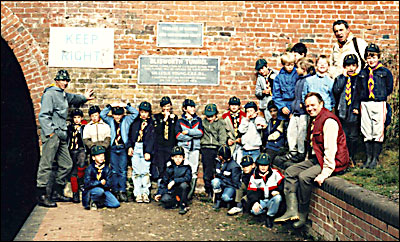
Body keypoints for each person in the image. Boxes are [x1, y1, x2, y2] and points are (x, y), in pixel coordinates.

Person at [274, 92, 350, 229]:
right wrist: (307, 161)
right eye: (307, 106)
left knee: (304, 177)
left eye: (313, 105)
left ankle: (303, 213)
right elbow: (313, 145)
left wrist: (325, 172)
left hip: (333, 160)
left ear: (321, 104)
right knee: (291, 171)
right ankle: (292, 210)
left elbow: (330, 149)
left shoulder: (329, 121)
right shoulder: (314, 119)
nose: (310, 108)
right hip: (317, 158)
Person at [36, 69, 94, 208]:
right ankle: (42, 195)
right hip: (53, 134)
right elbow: (44, 115)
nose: (65, 83)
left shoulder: (62, 94)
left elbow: (73, 98)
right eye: (62, 80)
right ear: (57, 80)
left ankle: (56, 191)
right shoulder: (50, 94)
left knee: (67, 164)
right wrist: (50, 133)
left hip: (62, 135)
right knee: (46, 164)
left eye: (67, 80)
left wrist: (84, 97)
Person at [358, 43, 393, 169]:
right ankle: (368, 158)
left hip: (378, 103)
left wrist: (380, 95)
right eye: (368, 57)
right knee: (367, 129)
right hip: (366, 103)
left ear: (378, 57)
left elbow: (389, 87)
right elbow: (360, 89)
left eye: (373, 57)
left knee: (378, 129)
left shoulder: (385, 72)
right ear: (365, 59)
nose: (371, 60)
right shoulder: (363, 72)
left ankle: (375, 158)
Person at [276, 57, 315, 168]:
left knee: (301, 134)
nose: (295, 69)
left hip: (303, 112)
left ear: (304, 69)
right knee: (291, 132)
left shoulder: (308, 80)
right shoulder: (298, 80)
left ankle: (301, 153)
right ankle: (293, 151)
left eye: (297, 67)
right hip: (296, 111)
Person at [100, 102, 139, 202]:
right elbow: (102, 114)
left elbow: (135, 113)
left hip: (123, 147)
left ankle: (122, 191)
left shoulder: (127, 120)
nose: (117, 117)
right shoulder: (110, 120)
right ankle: (114, 190)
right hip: (113, 147)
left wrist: (126, 106)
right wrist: (110, 106)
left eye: (119, 114)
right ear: (112, 114)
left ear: (123, 114)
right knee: (113, 170)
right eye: (115, 114)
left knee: (122, 170)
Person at [332, 54, 362, 167]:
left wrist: (358, 107)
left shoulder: (359, 79)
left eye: (353, 65)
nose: (351, 68)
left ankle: (352, 157)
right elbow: (336, 91)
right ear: (344, 67)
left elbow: (361, 94)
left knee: (353, 136)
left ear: (357, 66)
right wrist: (344, 78)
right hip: (343, 111)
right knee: (343, 135)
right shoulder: (340, 78)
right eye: (348, 66)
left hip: (354, 111)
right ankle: (343, 158)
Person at [175, 99, 204, 199]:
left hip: (195, 149)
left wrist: (187, 132)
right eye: (190, 107)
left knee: (194, 170)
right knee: (184, 170)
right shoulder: (180, 121)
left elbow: (200, 132)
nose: (193, 109)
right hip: (185, 149)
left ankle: (189, 195)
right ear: (184, 109)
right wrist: (193, 134)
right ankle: (182, 194)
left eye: (193, 107)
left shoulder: (198, 120)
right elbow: (178, 136)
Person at [127, 101, 155, 203]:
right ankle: (137, 193)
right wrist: (130, 147)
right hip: (136, 147)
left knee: (145, 172)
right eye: (142, 112)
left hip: (145, 148)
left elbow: (152, 139)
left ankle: (145, 193)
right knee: (136, 172)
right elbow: (129, 136)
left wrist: (148, 151)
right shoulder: (135, 123)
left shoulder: (152, 124)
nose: (143, 114)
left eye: (146, 112)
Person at [247, 153, 284, 228]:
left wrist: (278, 190)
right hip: (262, 200)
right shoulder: (254, 176)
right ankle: (264, 212)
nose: (263, 167)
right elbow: (251, 191)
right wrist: (255, 202)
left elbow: (283, 184)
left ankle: (270, 216)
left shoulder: (275, 173)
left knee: (278, 198)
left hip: (271, 199)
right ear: (258, 165)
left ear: (269, 165)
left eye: (265, 165)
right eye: (261, 165)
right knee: (254, 211)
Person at [200, 104, 228, 200]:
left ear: (216, 115)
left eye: (212, 116)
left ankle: (217, 192)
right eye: (208, 116)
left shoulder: (220, 123)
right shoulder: (203, 123)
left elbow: (222, 137)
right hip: (206, 148)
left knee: (216, 170)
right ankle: (208, 191)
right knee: (207, 171)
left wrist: (221, 149)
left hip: (216, 148)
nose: (210, 118)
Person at [154, 146, 192, 215]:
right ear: (172, 158)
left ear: (183, 158)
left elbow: (187, 178)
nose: (178, 159)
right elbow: (164, 181)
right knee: (165, 200)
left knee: (184, 185)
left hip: (181, 189)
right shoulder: (170, 167)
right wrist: (159, 193)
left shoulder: (186, 167)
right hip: (171, 191)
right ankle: (175, 202)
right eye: (176, 157)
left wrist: (174, 181)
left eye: (180, 157)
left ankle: (183, 205)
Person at [82, 145, 120, 210]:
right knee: (99, 191)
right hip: (92, 190)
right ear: (93, 158)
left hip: (104, 190)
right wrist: (100, 183)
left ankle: (99, 203)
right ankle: (92, 201)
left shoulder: (106, 168)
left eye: (102, 156)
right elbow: (87, 183)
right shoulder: (90, 168)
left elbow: (109, 184)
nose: (101, 158)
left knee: (115, 204)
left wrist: (104, 184)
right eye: (99, 156)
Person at [152, 96, 178, 184]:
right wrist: (164, 120)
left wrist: (172, 120)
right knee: (160, 166)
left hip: (170, 145)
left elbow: (175, 131)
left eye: (168, 106)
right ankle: (161, 186)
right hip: (160, 146)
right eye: (164, 106)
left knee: (169, 166)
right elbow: (157, 131)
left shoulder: (174, 118)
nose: (166, 108)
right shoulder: (157, 117)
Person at [211, 145, 242, 211]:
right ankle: (218, 200)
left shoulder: (234, 166)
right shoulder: (218, 162)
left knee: (226, 197)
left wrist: (223, 179)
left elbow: (235, 182)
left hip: (230, 186)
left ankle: (230, 202)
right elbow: (216, 174)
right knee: (215, 182)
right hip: (222, 182)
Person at [67, 108, 87, 203]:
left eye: (78, 117)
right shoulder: (69, 128)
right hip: (71, 149)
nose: (76, 120)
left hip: (81, 149)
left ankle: (81, 183)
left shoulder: (84, 127)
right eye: (75, 118)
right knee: (73, 170)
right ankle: (75, 193)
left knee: (81, 164)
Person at [272, 52, 299, 122]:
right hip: (284, 108)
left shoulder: (298, 75)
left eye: (292, 65)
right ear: (283, 65)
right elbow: (276, 95)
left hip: (296, 107)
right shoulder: (278, 78)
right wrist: (282, 106)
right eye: (287, 65)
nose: (290, 67)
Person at [222, 96, 246, 164]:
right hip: (231, 143)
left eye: (236, 105)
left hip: (241, 143)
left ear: (239, 106)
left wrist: (242, 139)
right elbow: (223, 131)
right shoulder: (225, 116)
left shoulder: (244, 115)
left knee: (240, 161)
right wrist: (227, 139)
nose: (234, 107)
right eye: (232, 105)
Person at [254, 58, 278, 123]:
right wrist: (263, 92)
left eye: (262, 68)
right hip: (266, 104)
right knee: (269, 121)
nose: (261, 71)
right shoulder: (260, 78)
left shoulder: (276, 74)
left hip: (277, 102)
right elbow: (257, 92)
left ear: (267, 66)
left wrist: (273, 89)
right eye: (259, 70)